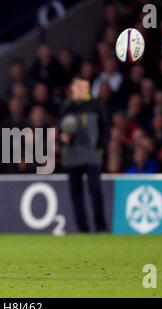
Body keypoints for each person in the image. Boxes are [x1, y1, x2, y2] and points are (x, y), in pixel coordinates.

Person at [59, 77, 108, 233]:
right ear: (72, 88)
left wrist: (100, 149)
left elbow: (105, 129)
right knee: (76, 194)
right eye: (78, 86)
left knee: (95, 190)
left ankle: (100, 226)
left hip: (92, 155)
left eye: (84, 87)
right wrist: (63, 137)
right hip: (73, 156)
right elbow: (61, 130)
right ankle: (83, 228)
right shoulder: (67, 106)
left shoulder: (95, 105)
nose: (81, 89)